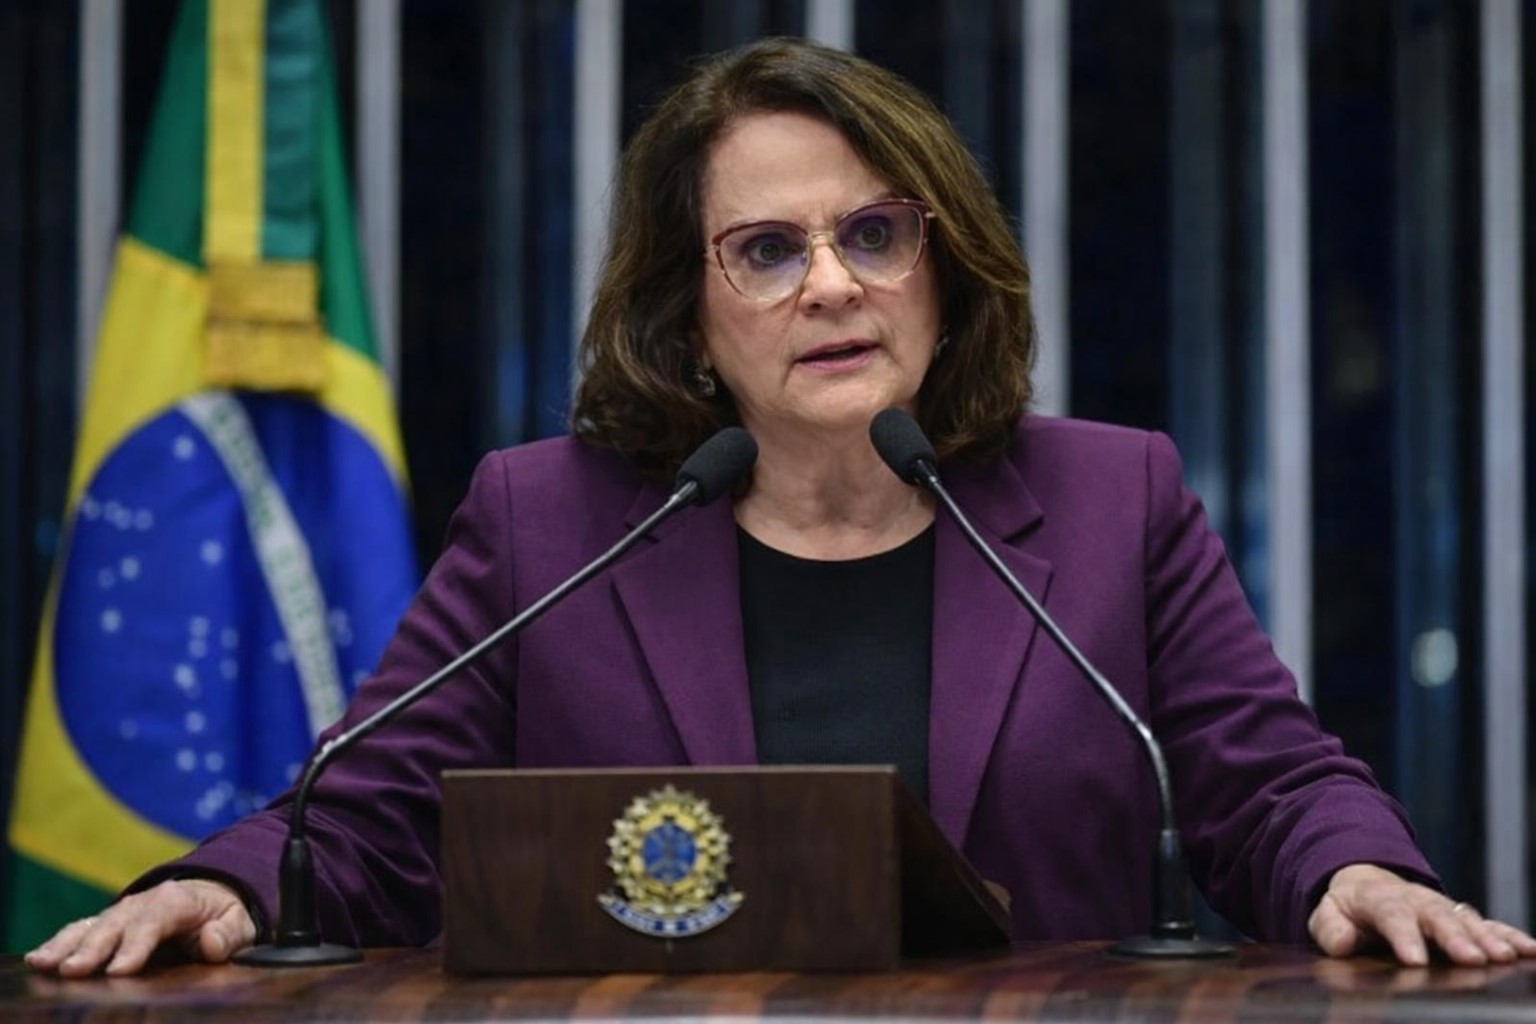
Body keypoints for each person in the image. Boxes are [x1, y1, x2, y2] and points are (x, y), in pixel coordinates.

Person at [28, 37, 1536, 978]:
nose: (832, 284)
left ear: (943, 270)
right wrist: (226, 888)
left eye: (874, 233)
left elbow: (1263, 785)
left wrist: (1355, 868)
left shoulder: (1107, 496)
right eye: (765, 250)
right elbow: (363, 821)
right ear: (688, 320)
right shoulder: (551, 521)